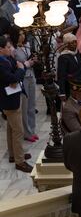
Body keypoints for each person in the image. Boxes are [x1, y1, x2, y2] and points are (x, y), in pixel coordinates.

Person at [0, 35, 32, 172]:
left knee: (11, 128)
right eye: (8, 47)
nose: (11, 49)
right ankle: (20, 161)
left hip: (13, 95)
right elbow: (12, 77)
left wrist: (19, 67)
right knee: (18, 130)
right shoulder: (1, 63)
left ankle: (14, 154)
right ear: (0, 49)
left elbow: (17, 69)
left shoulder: (7, 59)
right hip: (8, 100)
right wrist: (20, 69)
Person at [10, 28, 37, 143]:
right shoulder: (13, 50)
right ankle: (26, 132)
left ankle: (32, 130)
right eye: (20, 34)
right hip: (23, 78)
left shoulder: (26, 46)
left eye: (23, 34)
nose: (22, 36)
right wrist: (26, 64)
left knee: (32, 105)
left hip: (31, 75)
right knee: (25, 107)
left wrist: (34, 60)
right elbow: (15, 65)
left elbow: (28, 60)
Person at [57, 32, 81, 99]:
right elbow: (61, 75)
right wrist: (62, 93)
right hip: (69, 86)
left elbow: (80, 68)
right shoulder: (63, 57)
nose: (75, 44)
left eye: (75, 42)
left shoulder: (77, 53)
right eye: (72, 43)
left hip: (79, 85)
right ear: (67, 44)